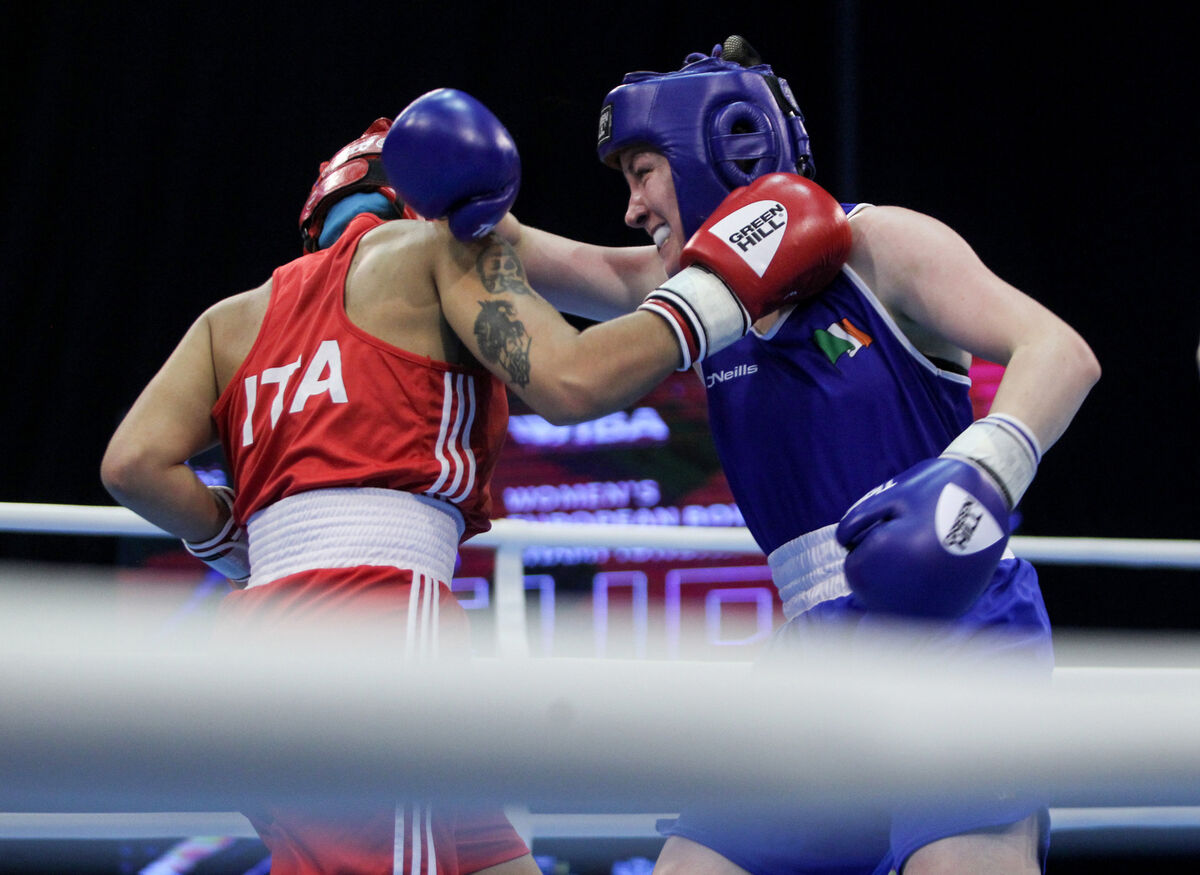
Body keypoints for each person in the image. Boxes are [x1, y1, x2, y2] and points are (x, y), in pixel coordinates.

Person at [100, 87, 851, 874]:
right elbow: (569, 385)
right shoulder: (440, 247)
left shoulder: (232, 318)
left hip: (248, 640)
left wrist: (240, 546)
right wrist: (727, 287)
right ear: (421, 202)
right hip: (374, 626)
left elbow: (133, 463)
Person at [499, 36, 1101, 875]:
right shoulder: (695, 296)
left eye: (642, 172)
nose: (632, 207)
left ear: (718, 149)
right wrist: (425, 197)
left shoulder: (878, 245)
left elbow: (1059, 351)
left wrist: (980, 472)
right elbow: (548, 259)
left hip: (958, 627)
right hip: (814, 656)